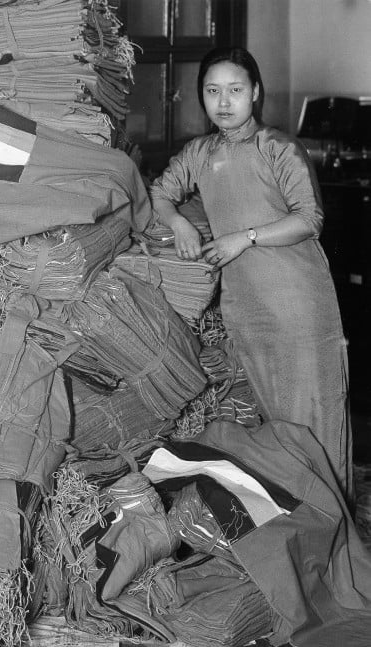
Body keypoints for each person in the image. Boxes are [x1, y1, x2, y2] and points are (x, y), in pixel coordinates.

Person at [150, 46, 351, 497]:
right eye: (212, 91)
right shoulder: (199, 152)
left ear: (255, 92)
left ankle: (332, 519)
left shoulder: (278, 147)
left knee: (314, 417)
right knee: (275, 421)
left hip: (297, 301)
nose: (223, 102)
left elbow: (309, 219)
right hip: (246, 306)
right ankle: (299, 519)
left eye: (235, 90)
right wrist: (179, 222)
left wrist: (245, 237)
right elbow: (160, 193)